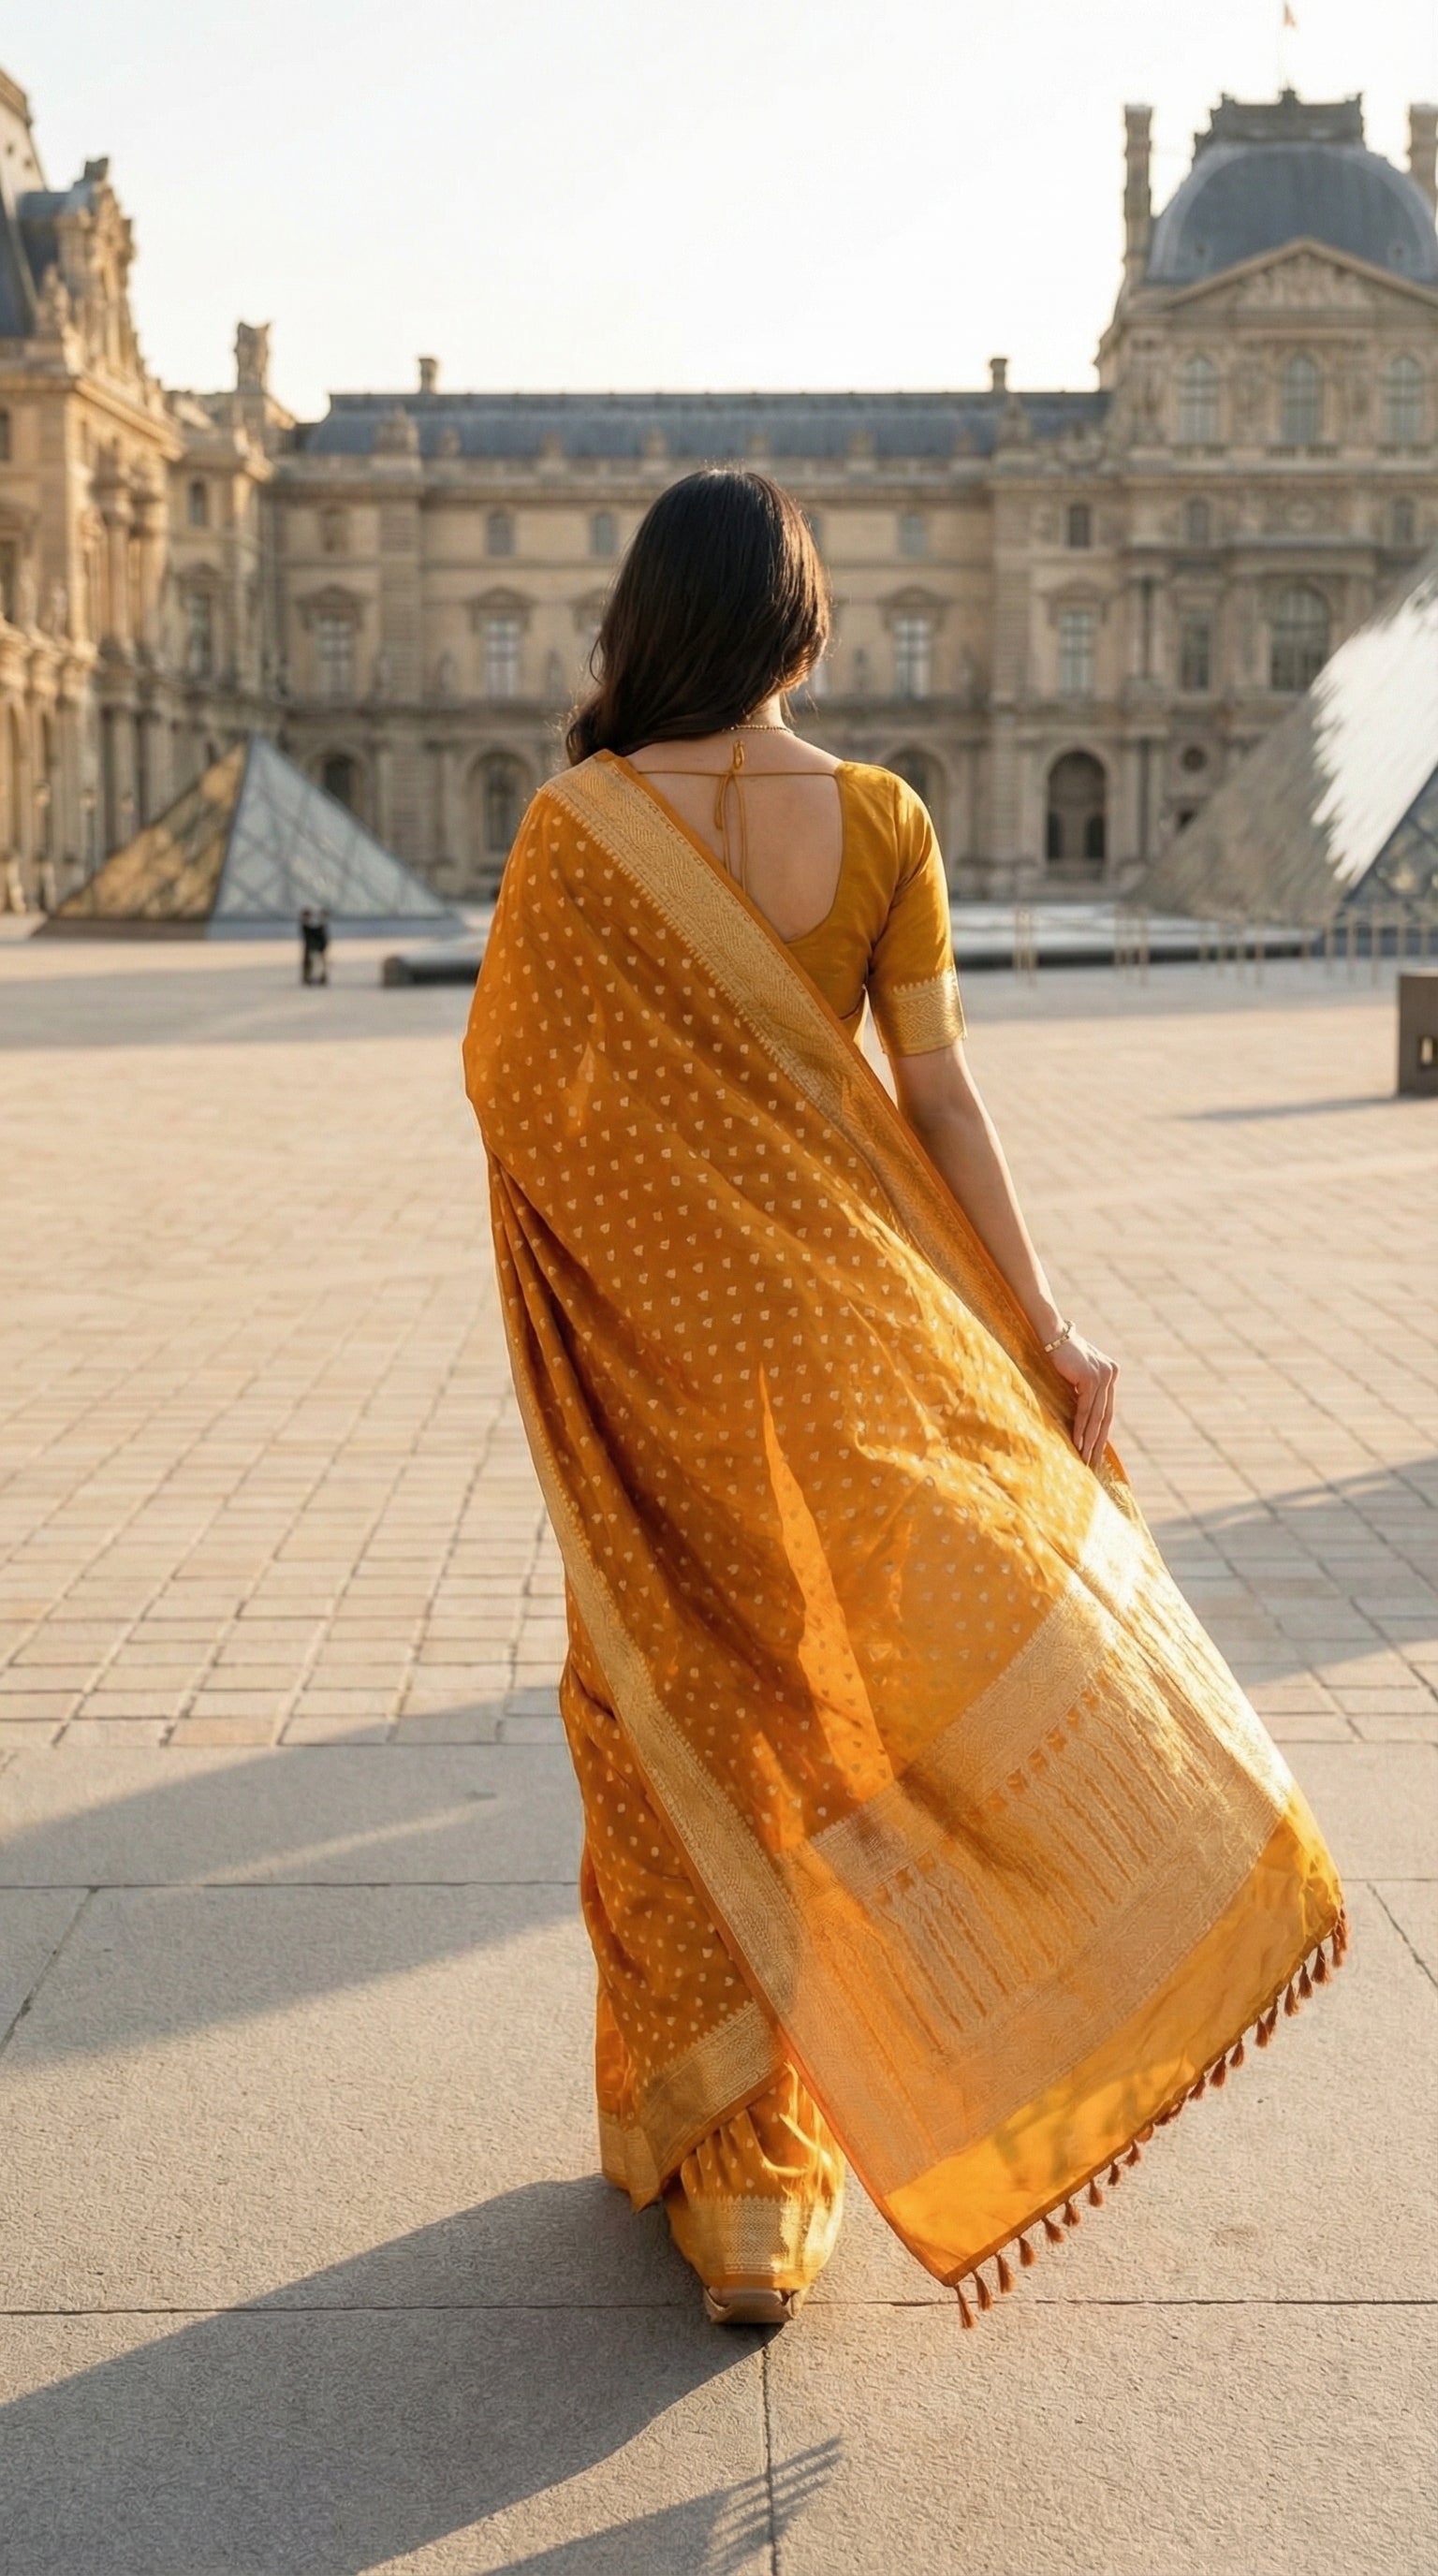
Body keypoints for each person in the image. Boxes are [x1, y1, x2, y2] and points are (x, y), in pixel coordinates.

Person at [462, 471, 1343, 2330]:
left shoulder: (571, 829)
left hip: (668, 1357)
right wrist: (1041, 1323)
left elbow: (522, 1094)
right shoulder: (881, 816)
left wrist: (635, 1267)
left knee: (666, 1710)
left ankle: (735, 2169)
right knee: (841, 1709)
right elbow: (941, 1094)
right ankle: (918, 2079)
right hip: (858, 1341)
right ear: (803, 621)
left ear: (643, 618)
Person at [299, 905, 330, 986]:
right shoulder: (306, 925)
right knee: (310, 963)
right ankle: (309, 978)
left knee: (319, 963)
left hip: (318, 946)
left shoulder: (320, 925)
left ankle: (320, 978)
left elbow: (320, 935)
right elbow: (313, 933)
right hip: (311, 946)